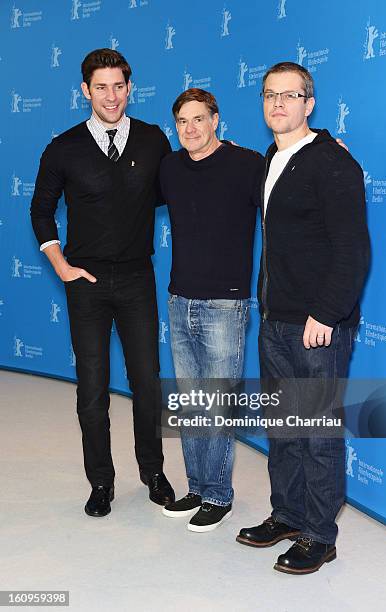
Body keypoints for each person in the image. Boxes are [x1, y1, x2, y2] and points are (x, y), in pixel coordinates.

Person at [236, 62, 370, 573]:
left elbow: (352, 247)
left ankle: (319, 533)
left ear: (309, 104)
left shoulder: (332, 163)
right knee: (284, 428)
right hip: (275, 320)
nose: (278, 104)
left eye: (289, 96)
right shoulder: (273, 157)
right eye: (270, 95)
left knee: (315, 430)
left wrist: (327, 313)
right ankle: (288, 514)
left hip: (317, 324)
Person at [30, 48, 174, 517]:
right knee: (91, 389)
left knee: (147, 384)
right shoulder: (63, 147)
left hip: (137, 278)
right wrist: (62, 266)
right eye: (100, 87)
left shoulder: (154, 140)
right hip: (86, 283)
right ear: (85, 91)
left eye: (118, 86)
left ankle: (153, 470)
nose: (110, 96)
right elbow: (41, 210)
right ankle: (101, 482)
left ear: (130, 88)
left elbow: (189, 181)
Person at [159, 89, 264, 532]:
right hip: (180, 300)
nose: (190, 129)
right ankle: (198, 487)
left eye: (198, 119)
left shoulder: (247, 164)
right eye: (182, 121)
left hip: (226, 302)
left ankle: (219, 495)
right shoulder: (169, 168)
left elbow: (293, 177)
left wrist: (329, 144)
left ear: (216, 120)